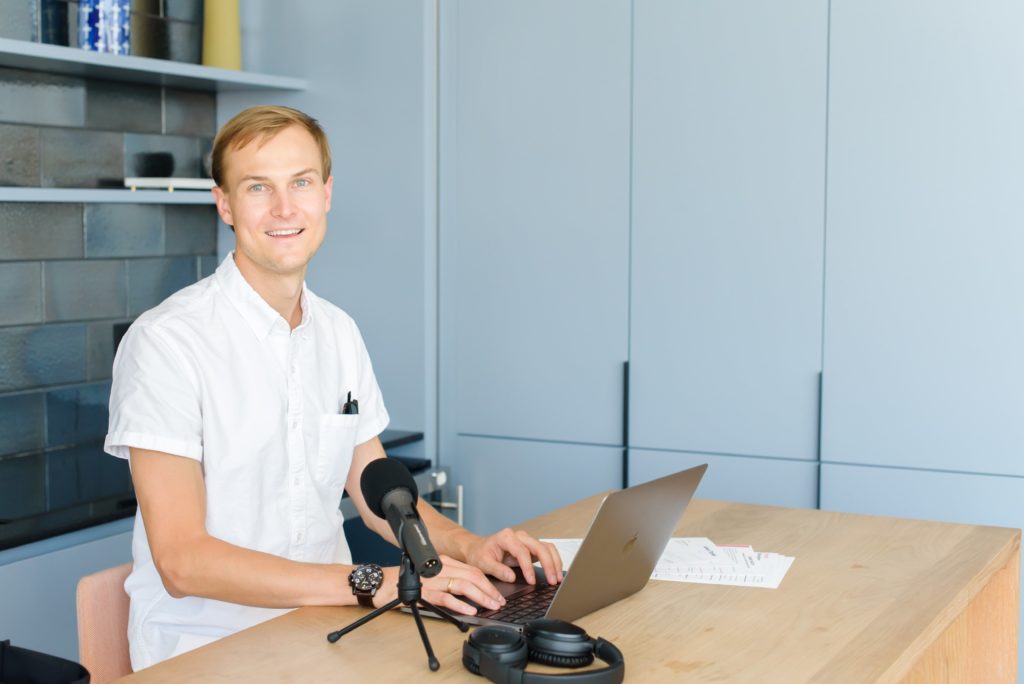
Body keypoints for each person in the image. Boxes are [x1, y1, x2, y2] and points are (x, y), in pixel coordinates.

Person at [104, 105, 563, 671]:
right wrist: (376, 581)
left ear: (326, 193)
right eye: (257, 187)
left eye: (300, 182)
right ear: (224, 203)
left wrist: (472, 546)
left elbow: (381, 503)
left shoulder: (338, 332)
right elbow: (182, 561)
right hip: (205, 652)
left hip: (330, 631)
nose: (283, 208)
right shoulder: (166, 343)